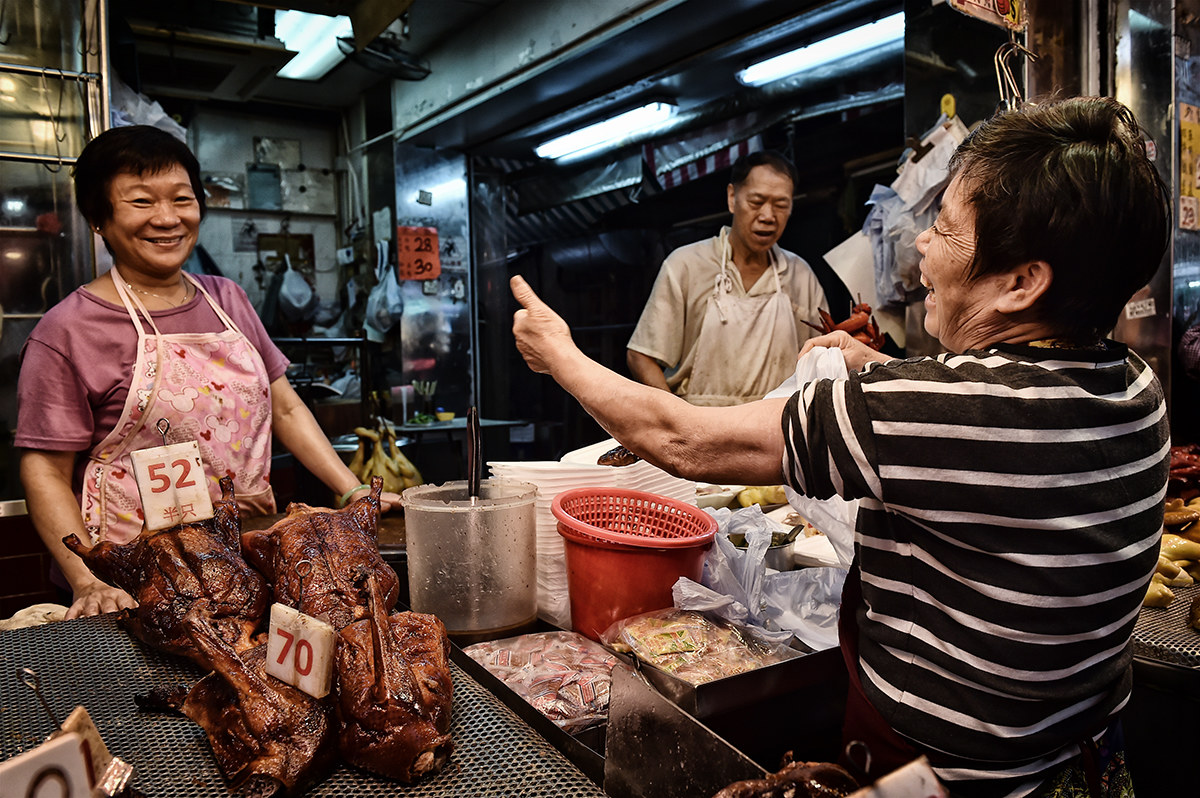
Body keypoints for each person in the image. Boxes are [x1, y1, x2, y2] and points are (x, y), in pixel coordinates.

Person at [511, 96, 1169, 797]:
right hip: (1081, 764)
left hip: (949, 779)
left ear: (1021, 283)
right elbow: (988, 419)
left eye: (944, 230)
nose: (918, 244)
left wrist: (562, 356)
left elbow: (683, 441)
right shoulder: (1134, 389)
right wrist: (876, 368)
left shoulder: (935, 411)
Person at [16, 125, 401, 620]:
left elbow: (284, 405)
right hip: (131, 576)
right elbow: (44, 469)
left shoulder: (227, 299)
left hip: (243, 555)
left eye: (182, 198)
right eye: (140, 202)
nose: (167, 218)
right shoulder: (68, 329)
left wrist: (349, 490)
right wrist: (87, 581)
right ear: (98, 217)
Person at [626, 150, 829, 406]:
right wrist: (679, 419)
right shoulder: (686, 264)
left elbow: (821, 360)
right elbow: (640, 356)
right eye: (756, 202)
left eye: (780, 205)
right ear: (733, 198)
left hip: (777, 429)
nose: (768, 216)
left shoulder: (801, 275)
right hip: (701, 426)